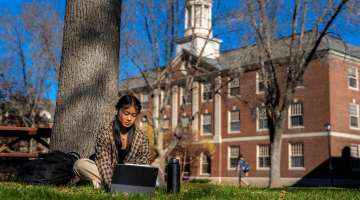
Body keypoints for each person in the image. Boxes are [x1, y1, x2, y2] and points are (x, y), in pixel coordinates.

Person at [73, 95, 151, 191]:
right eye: (126, 113)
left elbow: (143, 164)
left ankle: (97, 184)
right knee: (80, 164)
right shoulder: (105, 132)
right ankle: (106, 184)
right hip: (106, 171)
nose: (129, 118)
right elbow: (104, 164)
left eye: (134, 115)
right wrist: (113, 187)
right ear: (117, 109)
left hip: (128, 176)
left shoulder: (142, 137)